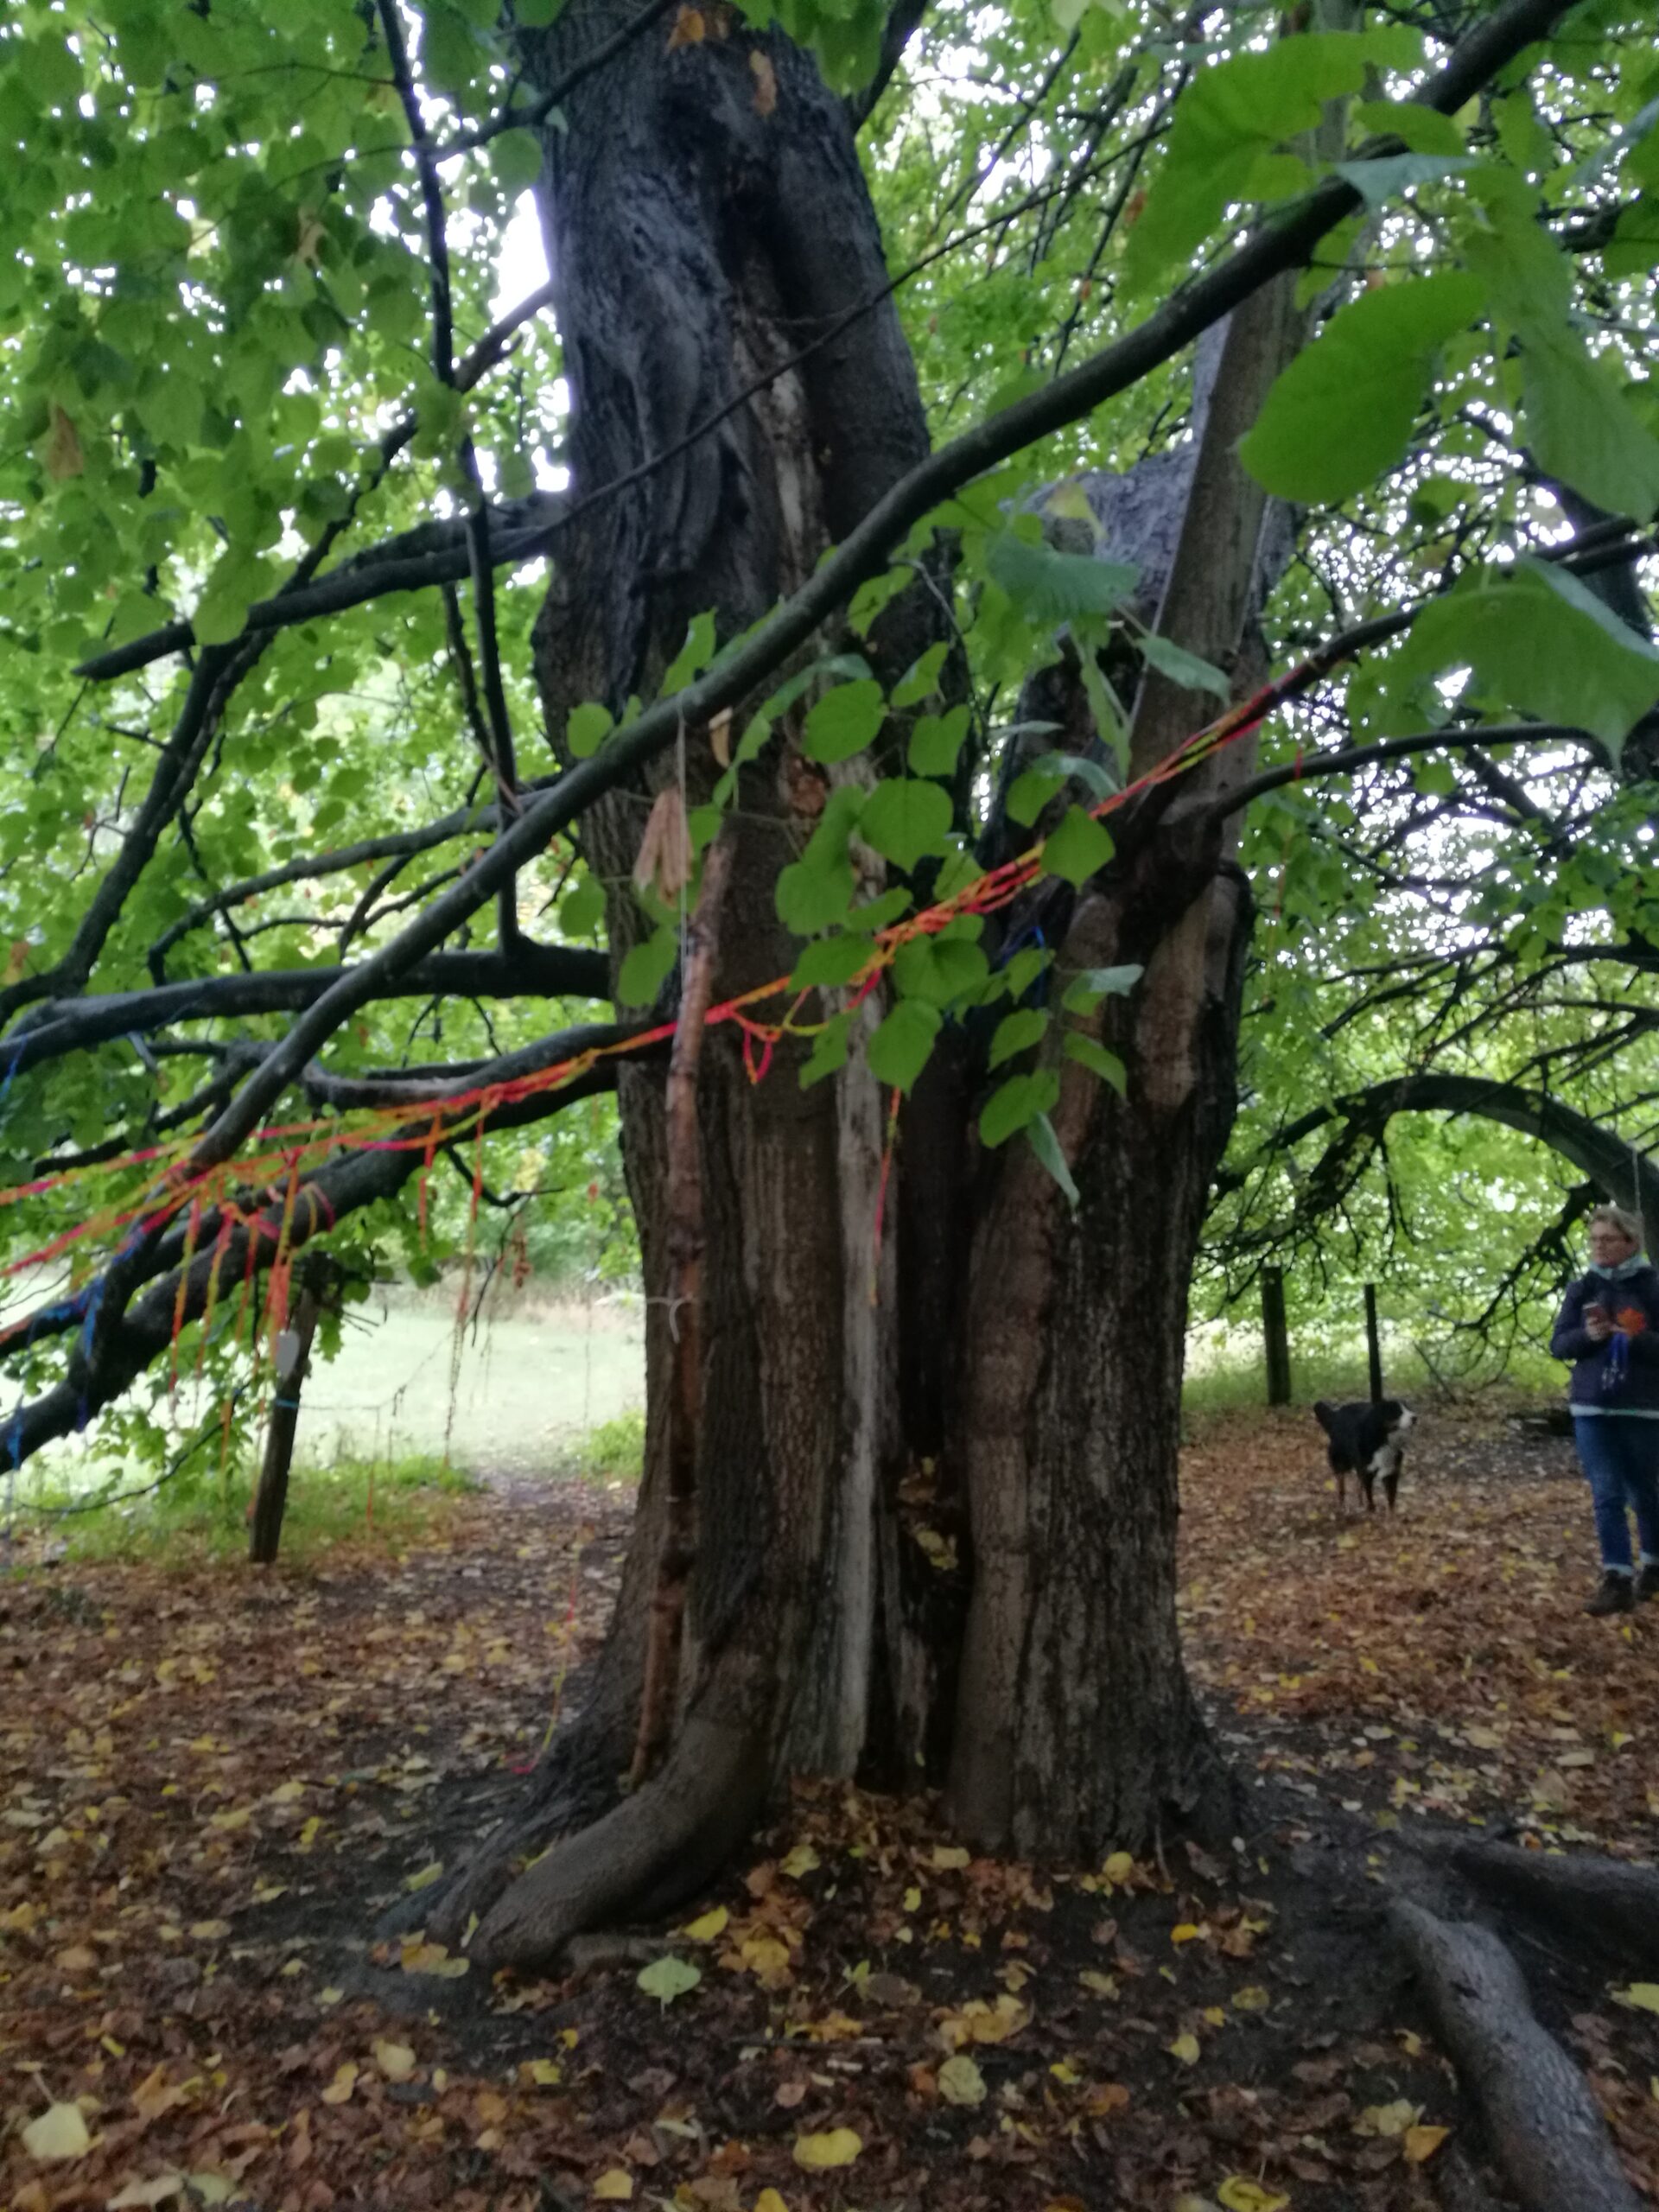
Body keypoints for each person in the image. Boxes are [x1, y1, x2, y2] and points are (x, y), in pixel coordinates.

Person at [1550, 1204, 1659, 1616]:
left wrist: (1639, 1339)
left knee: (1643, 1492)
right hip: (1591, 1408)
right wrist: (1589, 1335)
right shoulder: (1583, 1288)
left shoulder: (1652, 1287)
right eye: (1594, 1239)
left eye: (1607, 1239)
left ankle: (1654, 1562)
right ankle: (1616, 1577)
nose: (1599, 1246)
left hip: (1642, 1409)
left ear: (1630, 1243)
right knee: (1606, 1493)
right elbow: (1559, 1345)